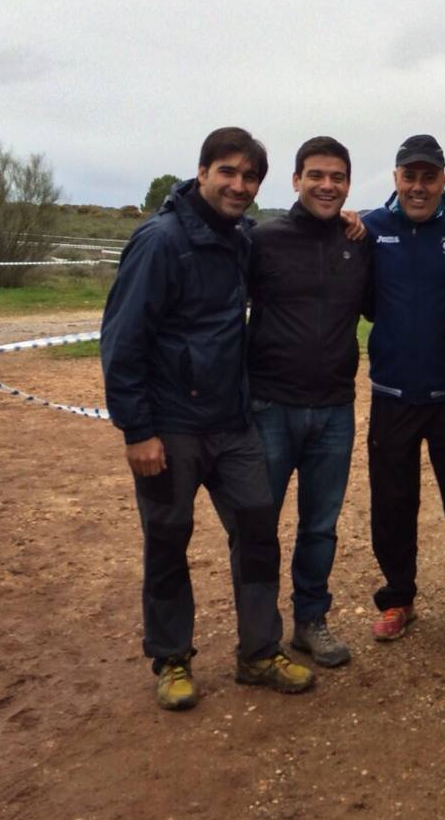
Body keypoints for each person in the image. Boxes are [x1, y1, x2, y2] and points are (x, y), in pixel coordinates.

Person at [100, 127, 314, 710]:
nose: (239, 186)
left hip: (232, 424)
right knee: (168, 542)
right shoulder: (160, 242)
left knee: (257, 535)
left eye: (250, 177)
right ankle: (171, 659)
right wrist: (137, 430)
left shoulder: (239, 237)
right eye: (228, 172)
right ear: (202, 173)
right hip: (168, 429)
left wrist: (352, 223)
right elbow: (122, 343)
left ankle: (259, 653)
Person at [243, 136, 371, 668]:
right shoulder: (262, 241)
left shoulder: (357, 241)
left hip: (335, 409)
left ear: (347, 185)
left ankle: (309, 621)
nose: (327, 185)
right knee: (260, 524)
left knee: (320, 525)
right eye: (316, 175)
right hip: (270, 406)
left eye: (337, 177)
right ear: (295, 180)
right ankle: (259, 635)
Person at [362, 135, 445, 640]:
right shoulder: (369, 228)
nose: (418, 187)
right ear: (395, 178)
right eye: (409, 176)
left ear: (443, 179)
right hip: (392, 393)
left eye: (428, 177)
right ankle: (398, 598)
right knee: (392, 502)